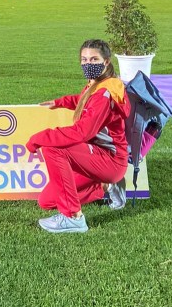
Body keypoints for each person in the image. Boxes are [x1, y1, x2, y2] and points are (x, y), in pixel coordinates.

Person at [26, 39, 131, 233]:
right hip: (93, 157)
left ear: (106, 61)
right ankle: (106, 187)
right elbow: (85, 101)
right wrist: (60, 102)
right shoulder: (97, 84)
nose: (88, 64)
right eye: (84, 59)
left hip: (110, 160)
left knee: (53, 148)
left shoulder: (105, 92)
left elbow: (83, 132)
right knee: (46, 201)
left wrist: (39, 138)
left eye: (94, 59)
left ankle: (73, 217)